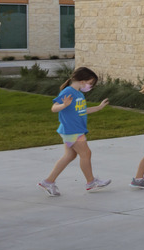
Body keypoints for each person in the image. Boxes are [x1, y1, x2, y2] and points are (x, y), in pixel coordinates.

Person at [39, 66, 111, 196]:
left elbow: (82, 110)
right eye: (90, 83)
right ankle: (90, 183)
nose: (90, 86)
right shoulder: (69, 91)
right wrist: (64, 105)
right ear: (82, 81)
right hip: (72, 130)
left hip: (73, 129)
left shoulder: (78, 94)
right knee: (86, 153)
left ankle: (48, 182)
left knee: (70, 156)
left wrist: (98, 108)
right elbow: (54, 108)